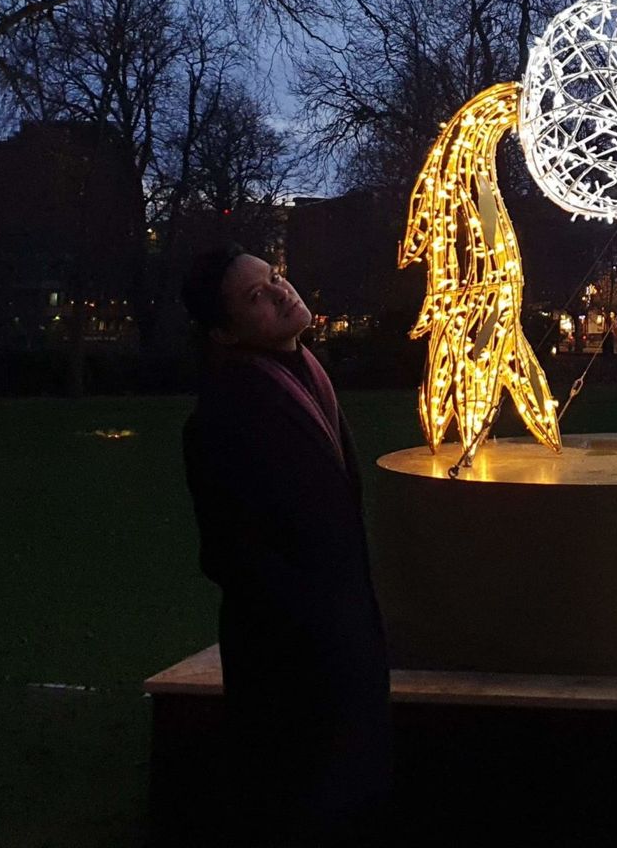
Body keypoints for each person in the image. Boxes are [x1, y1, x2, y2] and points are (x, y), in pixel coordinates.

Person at [180, 245, 391, 844]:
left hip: (344, 647)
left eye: (273, 277)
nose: (279, 291)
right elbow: (230, 554)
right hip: (294, 671)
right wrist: (319, 626)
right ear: (223, 332)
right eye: (255, 296)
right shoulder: (223, 417)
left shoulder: (302, 373)